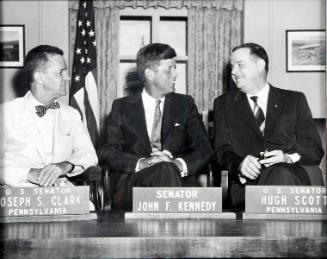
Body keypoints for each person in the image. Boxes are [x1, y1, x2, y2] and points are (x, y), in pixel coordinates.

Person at [98, 43, 212, 210]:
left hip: (181, 183)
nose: (176, 74)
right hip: (134, 186)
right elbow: (107, 151)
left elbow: (204, 148)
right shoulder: (121, 107)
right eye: (169, 70)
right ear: (149, 74)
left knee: (166, 168)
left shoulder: (185, 104)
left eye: (175, 68)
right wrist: (143, 163)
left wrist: (176, 164)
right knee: (163, 169)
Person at [213, 42, 324, 209]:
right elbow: (221, 151)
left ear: (260, 65)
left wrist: (287, 158)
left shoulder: (294, 100)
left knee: (281, 171)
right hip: (249, 190)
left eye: (240, 65)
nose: (233, 72)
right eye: (232, 67)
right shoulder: (223, 104)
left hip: (293, 184)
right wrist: (240, 164)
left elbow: (313, 149)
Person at [0, 45, 98, 187]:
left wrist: (65, 166)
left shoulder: (71, 115)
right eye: (60, 73)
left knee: (92, 209)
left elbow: (89, 155)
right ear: (39, 78)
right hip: (16, 197)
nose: (67, 77)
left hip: (61, 193)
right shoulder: (6, 113)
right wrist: (28, 173)